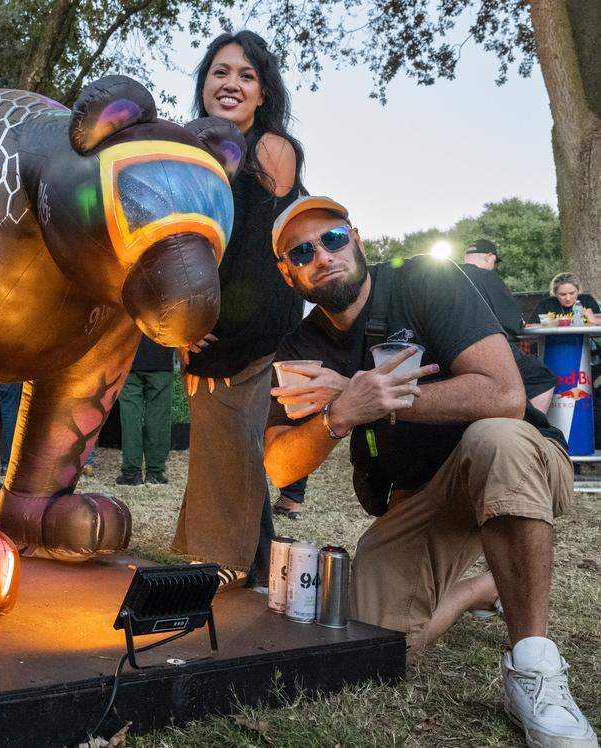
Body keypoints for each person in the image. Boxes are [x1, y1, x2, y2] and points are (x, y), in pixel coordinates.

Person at [264, 196, 595, 748]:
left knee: (497, 437)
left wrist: (363, 395)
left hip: (517, 464)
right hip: (420, 496)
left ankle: (533, 667)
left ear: (358, 239)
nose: (322, 255)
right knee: (367, 646)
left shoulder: (424, 281)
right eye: (302, 251)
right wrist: (336, 417)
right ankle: (478, 589)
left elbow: (506, 394)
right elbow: (278, 465)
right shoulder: (300, 347)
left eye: (333, 238)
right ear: (288, 272)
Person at [174, 30, 304, 585]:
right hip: (205, 329)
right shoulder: (181, 152)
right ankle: (252, 568)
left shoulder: (273, 149)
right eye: (220, 72)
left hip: (257, 330)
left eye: (246, 75)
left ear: (263, 94)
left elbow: (253, 251)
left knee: (237, 447)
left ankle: (233, 566)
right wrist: (179, 323)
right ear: (204, 83)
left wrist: (217, 324)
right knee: (223, 452)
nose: (231, 83)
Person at [461, 239, 555, 412]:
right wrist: (520, 323)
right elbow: (511, 323)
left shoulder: (448, 277)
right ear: (489, 257)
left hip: (452, 354)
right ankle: (528, 431)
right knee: (542, 378)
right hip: (490, 349)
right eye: (495, 262)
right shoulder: (487, 276)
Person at [116, 335, 175, 485]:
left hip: (128, 359)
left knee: (130, 417)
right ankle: (154, 473)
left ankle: (131, 474)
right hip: (161, 358)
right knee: (158, 417)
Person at [531, 272, 601, 324]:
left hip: (584, 340)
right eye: (562, 294)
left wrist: (594, 320)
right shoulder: (546, 304)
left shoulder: (587, 300)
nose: (568, 298)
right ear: (555, 293)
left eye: (572, 293)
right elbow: (531, 326)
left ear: (578, 291)